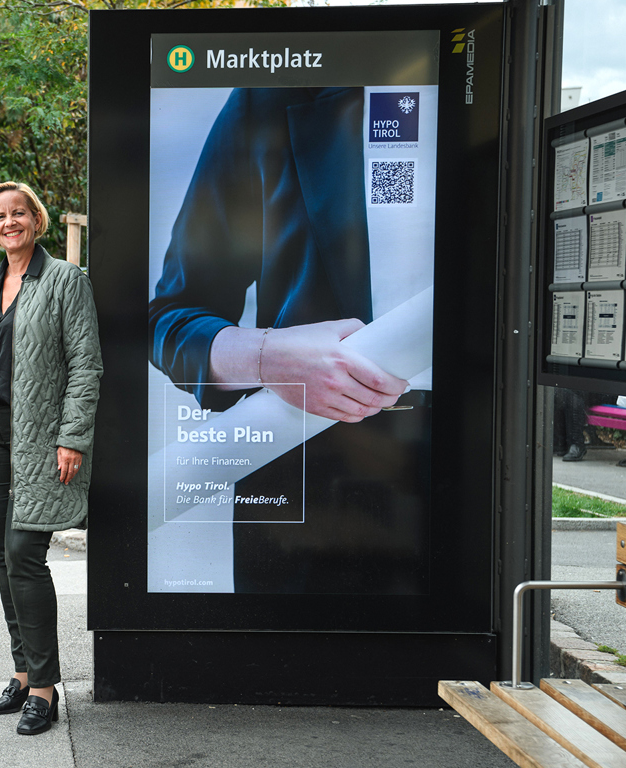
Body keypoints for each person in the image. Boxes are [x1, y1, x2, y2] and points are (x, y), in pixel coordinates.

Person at [149, 87, 433, 595]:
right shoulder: (268, 102)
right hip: (306, 474)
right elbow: (170, 317)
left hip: (474, 480)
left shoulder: (497, 98)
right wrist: (269, 358)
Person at [0, 182, 103, 735]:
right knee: (1, 558)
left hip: (38, 440)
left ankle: (44, 687)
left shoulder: (65, 280)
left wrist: (72, 437)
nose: (9, 222)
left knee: (24, 555)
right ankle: (21, 672)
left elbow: (86, 365)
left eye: (19, 213)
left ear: (37, 218)